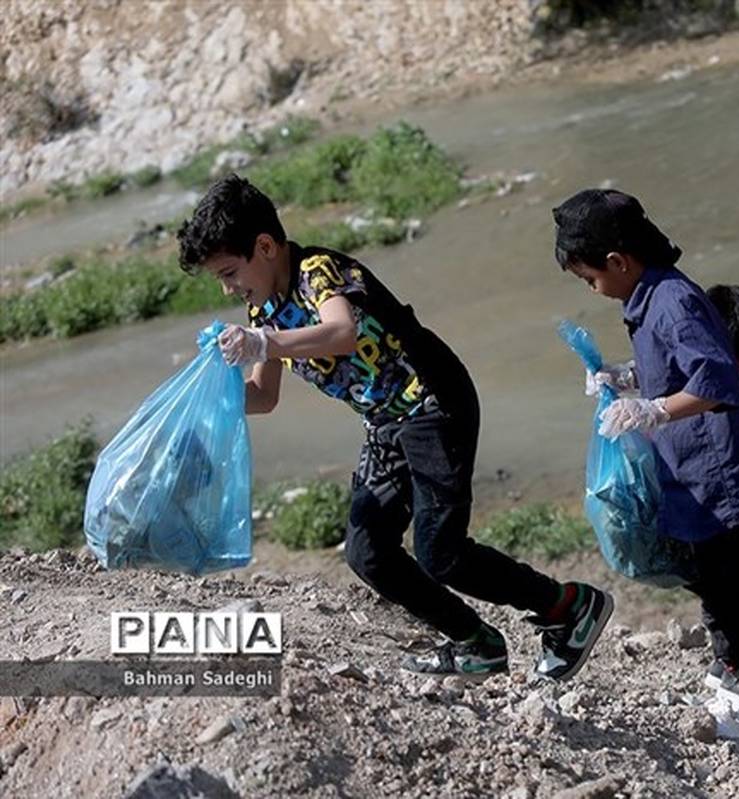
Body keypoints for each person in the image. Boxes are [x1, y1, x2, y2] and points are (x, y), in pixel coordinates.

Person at [176, 174, 613, 681]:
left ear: (266, 246)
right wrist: (210, 399)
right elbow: (264, 397)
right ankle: (477, 642)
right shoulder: (262, 310)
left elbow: (342, 332)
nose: (229, 288)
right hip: (385, 424)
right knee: (368, 553)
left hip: (432, 403)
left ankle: (567, 607)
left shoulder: (318, 271)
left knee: (441, 554)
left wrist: (263, 344)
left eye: (230, 273)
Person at [555, 188, 739, 729]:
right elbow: (676, 365)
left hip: (725, 478)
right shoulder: (648, 299)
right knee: (726, 591)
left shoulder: (672, 301)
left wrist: (652, 411)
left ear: (618, 261)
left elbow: (718, 378)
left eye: (591, 279)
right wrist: (625, 377)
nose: (595, 288)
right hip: (698, 480)